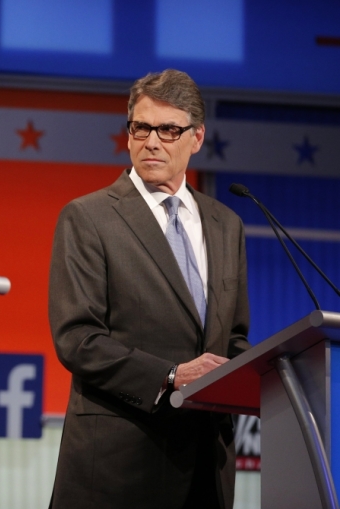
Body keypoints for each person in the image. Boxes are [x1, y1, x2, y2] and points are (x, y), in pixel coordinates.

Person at [48, 69, 250, 509]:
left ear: (197, 137)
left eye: (168, 129)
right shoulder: (89, 217)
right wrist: (172, 376)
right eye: (141, 127)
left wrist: (254, 378)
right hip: (119, 466)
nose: (151, 141)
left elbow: (233, 336)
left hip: (206, 466)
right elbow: (78, 339)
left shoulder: (226, 225)